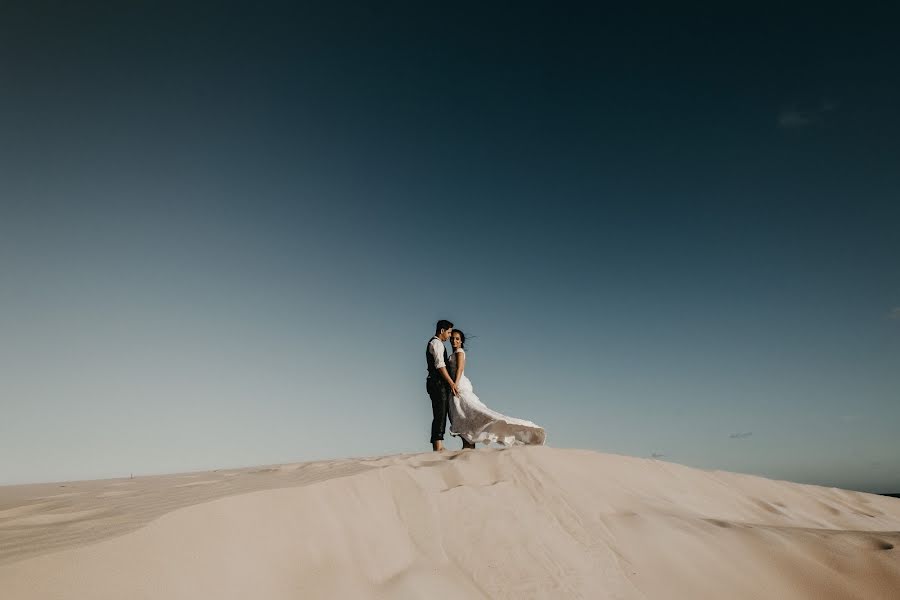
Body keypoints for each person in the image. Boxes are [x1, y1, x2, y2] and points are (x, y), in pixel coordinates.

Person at [448, 329, 546, 447]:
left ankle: (522, 430)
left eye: (457, 339)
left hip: (458, 386)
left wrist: (455, 384)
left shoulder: (459, 352)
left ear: (461, 341)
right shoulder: (452, 354)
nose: (454, 340)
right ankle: (468, 444)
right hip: (455, 385)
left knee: (473, 413)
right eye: (452, 338)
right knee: (463, 415)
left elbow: (460, 369)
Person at [426, 319, 458, 451]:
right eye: (449, 333)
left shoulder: (437, 343)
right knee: (440, 413)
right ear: (442, 331)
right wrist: (451, 383)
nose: (450, 336)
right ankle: (438, 446)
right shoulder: (437, 344)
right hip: (437, 383)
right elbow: (440, 365)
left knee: (441, 412)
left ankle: (438, 444)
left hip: (436, 382)